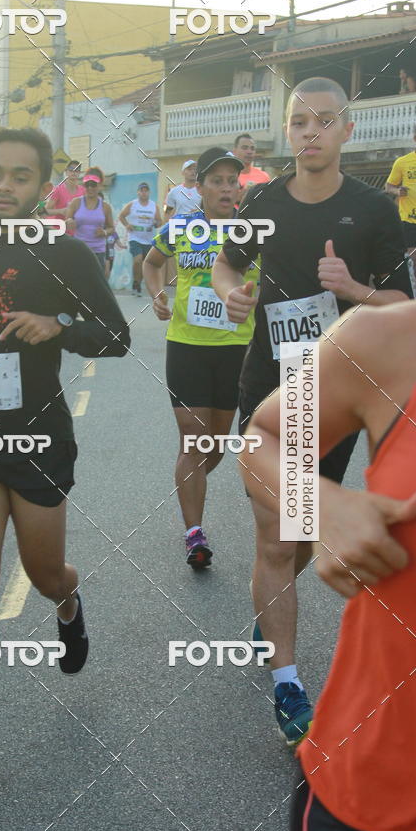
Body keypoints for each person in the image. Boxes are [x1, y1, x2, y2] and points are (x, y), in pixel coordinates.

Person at [0, 127, 130, 791]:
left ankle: (68, 603)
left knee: (42, 574)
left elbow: (117, 335)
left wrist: (59, 326)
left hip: (37, 437)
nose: (5, 186)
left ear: (43, 187)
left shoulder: (64, 253)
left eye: (19, 176)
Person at [212, 76, 413, 746]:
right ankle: (290, 685)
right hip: (267, 394)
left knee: (297, 538)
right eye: (300, 121)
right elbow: (224, 263)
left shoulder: (374, 211)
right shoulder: (263, 200)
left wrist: (352, 288)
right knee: (277, 538)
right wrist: (234, 292)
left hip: (335, 402)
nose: (311, 132)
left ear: (346, 131)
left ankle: (270, 612)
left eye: (325, 121)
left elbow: (403, 308)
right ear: (287, 129)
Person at [241, 301, 416, 831]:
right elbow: (261, 438)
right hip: (380, 805)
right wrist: (321, 504)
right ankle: (284, 678)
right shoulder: (388, 338)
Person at [144, 147, 259, 568]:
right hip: (187, 346)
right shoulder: (182, 227)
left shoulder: (254, 231)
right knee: (193, 438)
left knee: (214, 447)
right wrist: (156, 292)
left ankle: (186, 481)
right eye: (218, 181)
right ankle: (195, 532)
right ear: (202, 187)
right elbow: (152, 262)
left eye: (233, 181)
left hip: (235, 350)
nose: (227, 188)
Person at [65, 167, 115, 269]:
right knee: (79, 283)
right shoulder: (76, 203)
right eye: (87, 185)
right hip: (79, 250)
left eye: (93, 185)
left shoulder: (105, 207)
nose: (90, 188)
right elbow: (66, 221)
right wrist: (69, 222)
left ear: (100, 185)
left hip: (98, 251)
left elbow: (111, 228)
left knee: (96, 283)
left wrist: (104, 232)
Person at [118, 182, 161, 296]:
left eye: (146, 190)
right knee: (137, 260)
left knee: (143, 263)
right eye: (141, 190)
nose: (144, 192)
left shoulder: (153, 205)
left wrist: (156, 224)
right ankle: (136, 282)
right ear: (138, 192)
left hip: (148, 238)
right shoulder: (133, 204)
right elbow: (121, 216)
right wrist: (127, 225)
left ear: (149, 192)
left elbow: (159, 221)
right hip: (135, 237)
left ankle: (137, 283)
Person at [386, 124, 416, 252]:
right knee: (413, 260)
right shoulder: (402, 162)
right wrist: (397, 191)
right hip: (409, 220)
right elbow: (388, 186)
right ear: (415, 138)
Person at [46, 160, 84, 235]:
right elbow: (46, 211)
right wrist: (61, 211)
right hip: (60, 232)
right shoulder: (58, 190)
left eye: (77, 170)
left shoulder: (83, 191)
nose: (74, 172)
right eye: (71, 170)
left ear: (79, 173)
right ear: (66, 172)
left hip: (77, 233)